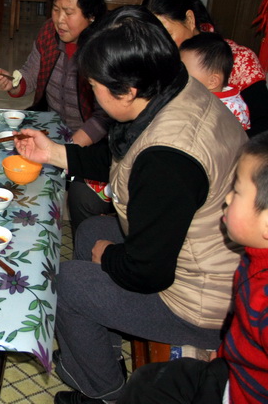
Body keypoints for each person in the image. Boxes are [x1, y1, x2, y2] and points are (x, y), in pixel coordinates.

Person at [14, 6, 247, 404]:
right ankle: (96, 358)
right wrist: (55, 153)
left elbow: (147, 271)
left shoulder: (170, 160)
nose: (91, 94)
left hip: (203, 302)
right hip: (198, 257)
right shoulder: (170, 85)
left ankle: (106, 393)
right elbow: (125, 159)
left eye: (95, 87)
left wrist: (107, 258)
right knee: (89, 231)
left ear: (129, 90)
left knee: (68, 282)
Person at [118, 131, 268, 404]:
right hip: (229, 369)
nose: (228, 199)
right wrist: (225, 354)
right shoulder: (253, 257)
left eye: (237, 191)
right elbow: (240, 321)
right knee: (146, 383)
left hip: (242, 395)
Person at [0, 0, 113, 237]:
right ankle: (25, 232)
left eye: (69, 12)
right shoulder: (49, 32)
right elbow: (30, 76)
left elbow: (105, 116)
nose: (59, 19)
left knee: (73, 187)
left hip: (88, 139)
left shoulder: (103, 45)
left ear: (91, 14)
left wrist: (67, 150)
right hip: (51, 124)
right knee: (8, 158)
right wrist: (12, 83)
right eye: (56, 9)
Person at [143, 0, 268, 137]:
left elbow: (263, 130)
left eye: (168, 35)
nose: (162, 45)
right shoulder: (156, 58)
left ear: (189, 19)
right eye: (155, 38)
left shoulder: (238, 60)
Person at [180, 32, 250, 131]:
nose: (179, 76)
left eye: (186, 73)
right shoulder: (203, 94)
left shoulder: (227, 110)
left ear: (213, 81)